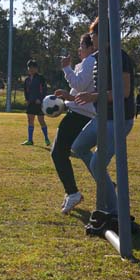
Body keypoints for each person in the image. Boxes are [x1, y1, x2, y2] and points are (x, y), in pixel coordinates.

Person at [70, 17, 136, 232]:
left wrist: (94, 96)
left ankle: (116, 213)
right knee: (78, 147)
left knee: (98, 164)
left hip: (118, 119)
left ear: (104, 35)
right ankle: (106, 184)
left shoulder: (120, 57)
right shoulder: (97, 57)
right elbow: (87, 89)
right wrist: (69, 97)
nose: (91, 39)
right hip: (101, 118)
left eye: (94, 35)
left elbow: (124, 92)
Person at [51, 32, 97, 214]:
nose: (79, 50)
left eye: (82, 46)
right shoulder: (90, 62)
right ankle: (105, 184)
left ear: (91, 47)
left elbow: (78, 85)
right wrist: (67, 98)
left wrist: (66, 68)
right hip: (81, 114)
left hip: (79, 116)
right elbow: (80, 94)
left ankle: (73, 193)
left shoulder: (90, 61)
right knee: (79, 152)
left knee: (58, 153)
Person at [22, 59, 50, 146]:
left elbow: (44, 90)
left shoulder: (40, 78)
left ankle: (46, 138)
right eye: (29, 67)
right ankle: (30, 140)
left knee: (41, 120)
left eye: (33, 67)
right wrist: (27, 99)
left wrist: (40, 99)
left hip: (39, 103)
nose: (31, 69)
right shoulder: (27, 80)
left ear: (36, 68)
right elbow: (26, 91)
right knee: (30, 120)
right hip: (31, 102)